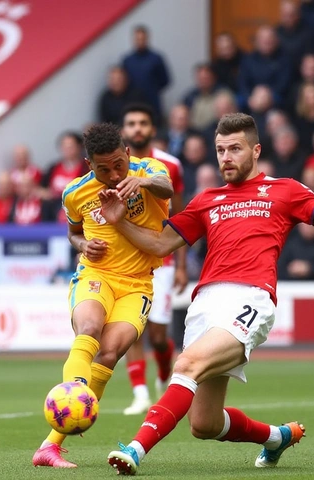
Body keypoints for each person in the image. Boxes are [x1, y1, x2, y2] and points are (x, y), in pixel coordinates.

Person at [97, 113, 314, 475]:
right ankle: (275, 437)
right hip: (205, 305)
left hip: (250, 299)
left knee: (185, 365)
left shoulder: (285, 190)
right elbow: (157, 244)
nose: (226, 157)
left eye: (235, 148)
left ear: (256, 150)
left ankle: (135, 449)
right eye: (220, 150)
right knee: (204, 424)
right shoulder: (206, 200)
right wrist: (119, 221)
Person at [32, 122, 173, 468]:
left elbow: (167, 188)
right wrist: (83, 244)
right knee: (90, 329)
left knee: (110, 353)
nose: (113, 175)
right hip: (96, 275)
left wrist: (139, 181)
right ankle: (76, 394)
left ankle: (48, 447)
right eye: (102, 169)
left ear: (127, 153)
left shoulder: (148, 170)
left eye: (118, 165)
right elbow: (73, 232)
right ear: (88, 165)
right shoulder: (75, 193)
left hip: (138, 282)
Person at [119, 103, 187, 415]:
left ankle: (162, 374)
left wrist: (183, 265)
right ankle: (140, 394)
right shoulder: (114, 165)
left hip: (163, 260)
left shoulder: (170, 165)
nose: (137, 128)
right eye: (131, 123)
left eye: (142, 123)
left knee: (158, 337)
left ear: (152, 128)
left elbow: (182, 217)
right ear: (124, 130)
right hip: (127, 260)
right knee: (132, 328)